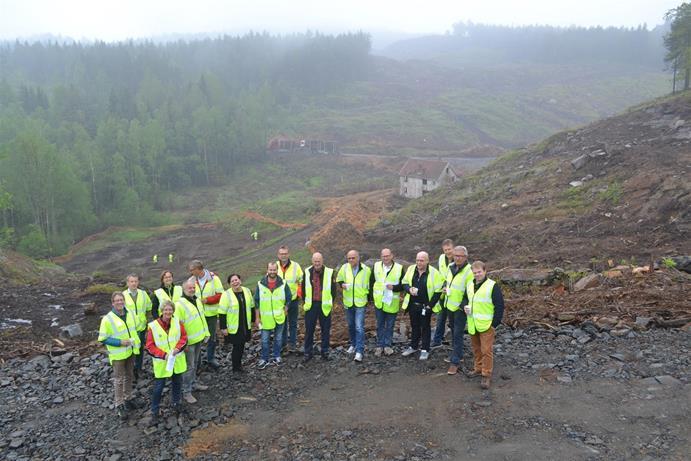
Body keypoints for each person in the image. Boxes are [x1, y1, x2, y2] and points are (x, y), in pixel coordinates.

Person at [98, 291, 141, 420]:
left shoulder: (130, 314)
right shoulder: (108, 319)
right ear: (112, 303)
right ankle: (119, 404)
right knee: (119, 380)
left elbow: (136, 329)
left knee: (129, 376)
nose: (120, 302)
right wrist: (119, 342)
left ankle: (128, 399)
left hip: (131, 351)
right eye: (117, 300)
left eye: (121, 300)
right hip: (118, 355)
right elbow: (103, 338)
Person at [463, 261, 505, 389]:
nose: (477, 274)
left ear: (485, 271)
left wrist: (494, 324)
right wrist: (465, 306)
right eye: (474, 272)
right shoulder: (470, 284)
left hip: (487, 325)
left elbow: (500, 306)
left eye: (479, 272)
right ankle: (478, 368)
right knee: (476, 349)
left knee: (486, 350)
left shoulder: (492, 286)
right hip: (473, 323)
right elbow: (465, 299)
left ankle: (486, 374)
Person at [145, 300, 187, 425]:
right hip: (162, 362)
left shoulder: (177, 323)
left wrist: (177, 348)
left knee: (177, 382)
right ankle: (155, 410)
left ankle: (176, 402)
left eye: (170, 309)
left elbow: (184, 337)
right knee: (159, 387)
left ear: (173, 311)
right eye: (166, 310)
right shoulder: (153, 326)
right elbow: (149, 346)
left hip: (176, 359)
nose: (168, 312)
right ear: (161, 311)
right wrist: (163, 355)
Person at [401, 251, 444, 360]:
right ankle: (413, 346)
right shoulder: (411, 269)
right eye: (417, 260)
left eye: (421, 260)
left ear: (427, 261)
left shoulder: (434, 273)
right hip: (412, 305)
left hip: (426, 306)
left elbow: (438, 291)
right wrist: (409, 289)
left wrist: (430, 306)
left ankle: (425, 349)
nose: (419, 263)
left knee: (425, 327)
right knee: (414, 326)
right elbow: (404, 282)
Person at [175, 278, 210, 404]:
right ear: (184, 289)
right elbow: (178, 326)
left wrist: (207, 333)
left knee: (195, 364)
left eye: (193, 287)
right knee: (189, 367)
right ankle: (187, 391)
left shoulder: (197, 300)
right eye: (189, 288)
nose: (192, 289)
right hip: (188, 342)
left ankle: (194, 384)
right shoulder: (179, 305)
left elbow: (202, 318)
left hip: (198, 339)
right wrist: (183, 342)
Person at [336, 249, 372, 362]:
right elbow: (339, 280)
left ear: (358, 257)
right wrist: (342, 285)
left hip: (360, 302)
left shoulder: (366, 270)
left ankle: (359, 351)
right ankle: (353, 344)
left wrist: (369, 299)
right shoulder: (344, 268)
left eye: (353, 258)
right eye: (349, 258)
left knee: (359, 327)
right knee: (351, 325)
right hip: (348, 302)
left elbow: (371, 285)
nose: (351, 260)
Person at [254, 262, 292, 369]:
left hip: (280, 317)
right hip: (265, 319)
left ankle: (277, 356)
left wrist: (286, 308)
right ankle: (264, 359)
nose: (272, 272)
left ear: (277, 270)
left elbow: (289, 297)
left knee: (278, 338)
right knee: (265, 340)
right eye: (270, 270)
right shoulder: (260, 284)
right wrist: (257, 318)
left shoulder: (283, 283)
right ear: (267, 270)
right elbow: (256, 302)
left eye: (274, 270)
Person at [188, 260, 224, 369]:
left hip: (211, 314)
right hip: (197, 315)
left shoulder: (214, 279)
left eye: (192, 270)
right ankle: (197, 363)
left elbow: (221, 295)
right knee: (197, 338)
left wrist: (208, 300)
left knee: (211, 338)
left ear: (199, 269)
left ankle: (210, 359)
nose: (190, 272)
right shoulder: (192, 280)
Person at [301, 252, 336, 362]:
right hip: (311, 306)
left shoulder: (330, 272)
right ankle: (308, 352)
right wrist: (306, 302)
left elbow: (333, 290)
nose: (317, 263)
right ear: (312, 261)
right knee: (309, 330)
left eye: (319, 261)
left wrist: (330, 302)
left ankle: (325, 351)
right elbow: (303, 289)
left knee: (325, 330)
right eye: (315, 261)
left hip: (324, 305)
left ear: (322, 261)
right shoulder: (306, 272)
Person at [444, 246, 473, 375]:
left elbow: (470, 291)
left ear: (465, 257)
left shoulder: (469, 271)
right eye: (455, 255)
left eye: (460, 256)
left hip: (460, 308)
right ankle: (459, 354)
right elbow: (448, 282)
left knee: (457, 334)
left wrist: (462, 306)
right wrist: (445, 288)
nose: (457, 258)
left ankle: (455, 362)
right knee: (454, 331)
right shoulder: (451, 267)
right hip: (450, 305)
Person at [219, 273, 254, 373]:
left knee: (241, 346)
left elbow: (251, 306)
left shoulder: (247, 291)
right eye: (232, 281)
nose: (235, 282)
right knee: (237, 347)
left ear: (240, 280)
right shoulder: (226, 294)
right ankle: (236, 368)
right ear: (230, 284)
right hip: (234, 327)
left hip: (245, 325)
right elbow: (222, 312)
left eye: (236, 280)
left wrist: (253, 320)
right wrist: (223, 327)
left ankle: (239, 366)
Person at [372, 248, 404, 357]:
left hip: (391, 302)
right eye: (383, 256)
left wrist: (394, 287)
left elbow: (403, 285)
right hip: (379, 301)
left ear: (392, 256)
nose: (385, 258)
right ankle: (380, 345)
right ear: (381, 256)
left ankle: (387, 345)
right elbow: (372, 281)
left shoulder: (399, 268)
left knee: (390, 325)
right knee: (380, 325)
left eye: (387, 256)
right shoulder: (376, 266)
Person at [122, 273, 152, 380]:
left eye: (135, 281)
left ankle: (138, 368)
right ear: (128, 283)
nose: (134, 283)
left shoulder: (143, 294)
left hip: (141, 327)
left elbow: (149, 307)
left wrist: (146, 320)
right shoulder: (123, 295)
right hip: (129, 329)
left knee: (139, 349)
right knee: (130, 350)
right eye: (131, 281)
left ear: (138, 282)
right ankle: (130, 371)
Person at [277, 245, 304, 353]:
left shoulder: (296, 266)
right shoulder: (275, 266)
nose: (283, 256)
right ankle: (283, 345)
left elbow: (301, 280)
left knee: (293, 323)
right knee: (282, 324)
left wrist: (298, 294)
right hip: (279, 302)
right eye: (281, 254)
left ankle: (292, 344)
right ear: (278, 255)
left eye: (285, 253)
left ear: (289, 254)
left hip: (293, 300)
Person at [432, 239, 455, 349]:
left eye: (449, 249)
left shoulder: (458, 260)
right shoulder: (441, 258)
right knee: (440, 318)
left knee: (453, 320)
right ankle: (437, 340)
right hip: (442, 293)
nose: (447, 252)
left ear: (453, 248)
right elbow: (439, 274)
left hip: (454, 295)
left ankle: (455, 342)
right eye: (445, 250)